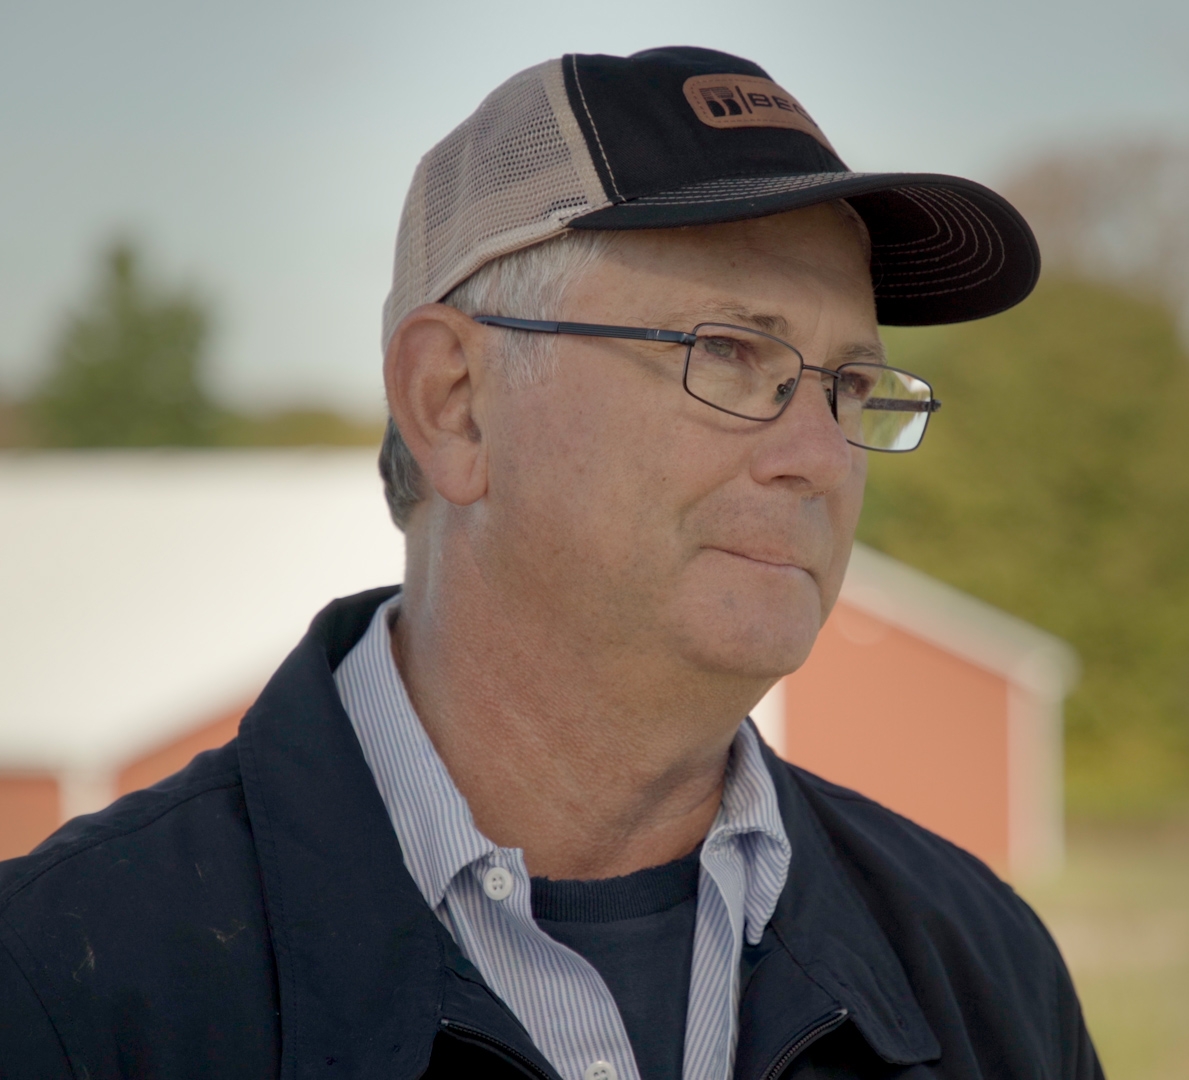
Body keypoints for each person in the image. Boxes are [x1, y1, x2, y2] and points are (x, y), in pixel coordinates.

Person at [0, 46, 1101, 1080]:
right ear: (455, 405)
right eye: (727, 351)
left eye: (848, 384)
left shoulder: (978, 964)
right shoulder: (62, 983)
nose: (816, 455)